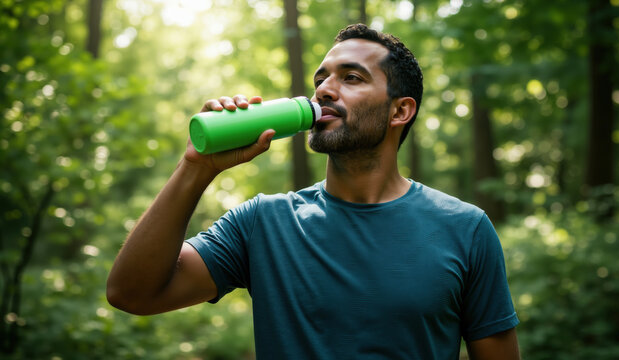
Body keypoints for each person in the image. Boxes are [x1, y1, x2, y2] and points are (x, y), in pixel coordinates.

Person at [107, 24, 520, 359]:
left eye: (351, 78)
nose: (323, 89)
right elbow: (131, 294)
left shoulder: (465, 228)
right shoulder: (262, 223)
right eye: (321, 79)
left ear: (400, 111)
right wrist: (195, 168)